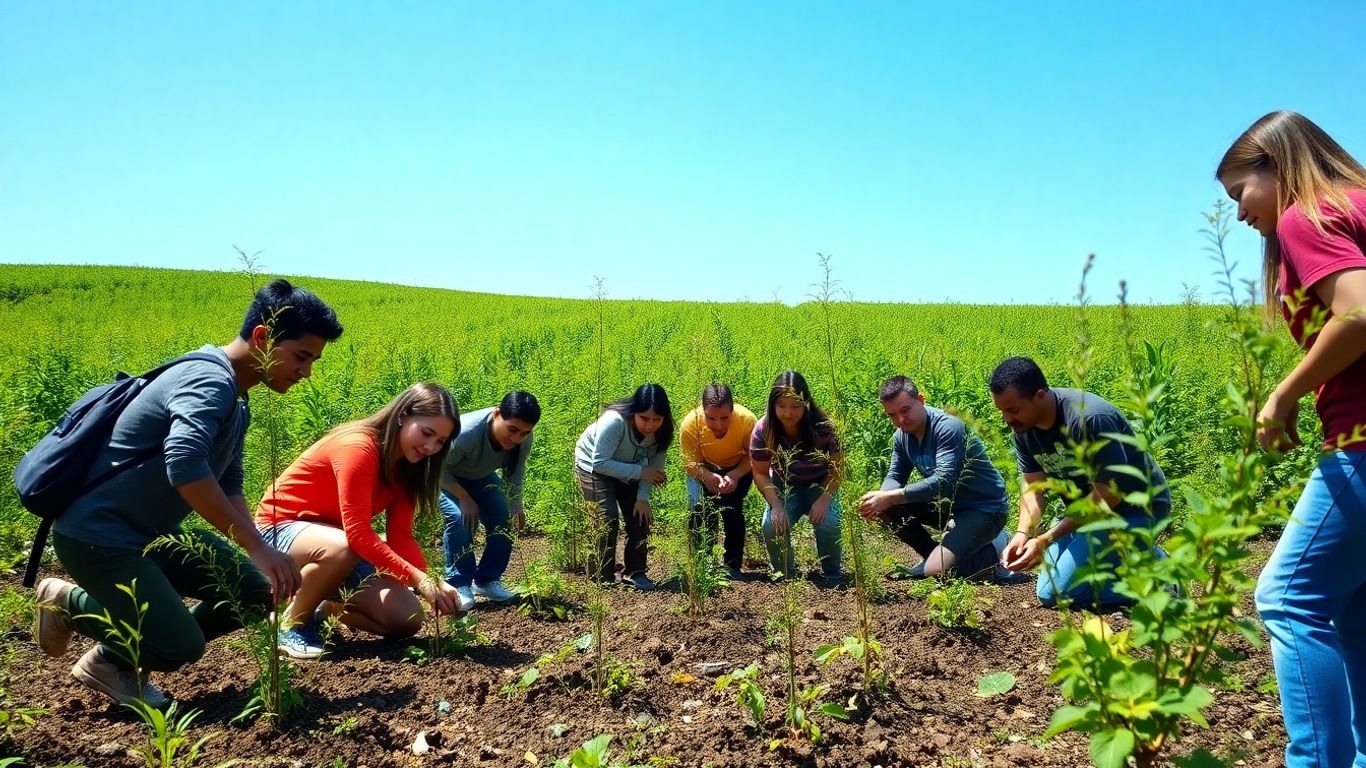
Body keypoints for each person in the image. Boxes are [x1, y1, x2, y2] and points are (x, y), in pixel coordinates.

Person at [33, 280, 342, 706]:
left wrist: (258, 550)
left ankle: (110, 660)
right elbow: (186, 466)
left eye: (313, 361)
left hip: (150, 532)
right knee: (182, 646)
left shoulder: (238, 396)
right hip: (100, 537)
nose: (306, 371)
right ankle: (68, 601)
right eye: (302, 356)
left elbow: (228, 480)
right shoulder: (209, 380)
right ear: (262, 338)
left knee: (257, 589)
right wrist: (255, 543)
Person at [1218, 110, 1366, 768]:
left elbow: (1359, 314)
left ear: (1274, 168)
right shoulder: (1354, 205)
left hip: (1363, 441)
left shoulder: (1307, 215)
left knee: (1287, 597)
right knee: (1354, 614)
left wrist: (1284, 394)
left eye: (1238, 194)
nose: (1238, 213)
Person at [255, 382, 467, 660]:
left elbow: (401, 537)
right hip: (279, 530)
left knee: (407, 618)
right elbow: (357, 534)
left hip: (336, 546)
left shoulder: (408, 468)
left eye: (440, 441)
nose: (430, 447)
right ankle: (292, 624)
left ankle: (322, 605)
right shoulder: (359, 447)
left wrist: (432, 582)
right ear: (403, 416)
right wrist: (419, 579)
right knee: (343, 546)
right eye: (427, 433)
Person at [989, 356, 1170, 609]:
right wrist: (1023, 533)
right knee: (1047, 590)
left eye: (1013, 410)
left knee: (1059, 594)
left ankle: (1158, 572)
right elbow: (1033, 487)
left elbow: (1109, 496)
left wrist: (1048, 537)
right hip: (1085, 517)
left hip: (1134, 511)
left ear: (1040, 395)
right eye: (1002, 411)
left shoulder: (1089, 419)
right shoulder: (1024, 427)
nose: (1007, 419)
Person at [857, 376, 1011, 580]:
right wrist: (878, 501)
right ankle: (934, 558)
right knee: (888, 504)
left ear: (921, 400)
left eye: (905, 410)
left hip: (984, 508)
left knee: (947, 573)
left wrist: (891, 496)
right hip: (950, 507)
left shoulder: (948, 427)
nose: (900, 420)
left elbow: (944, 482)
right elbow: (895, 476)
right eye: (892, 415)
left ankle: (998, 543)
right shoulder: (901, 436)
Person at [440, 390, 540, 606]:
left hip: (482, 476)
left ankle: (486, 580)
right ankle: (459, 584)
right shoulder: (465, 434)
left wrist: (516, 504)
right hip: (446, 478)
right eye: (512, 429)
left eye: (524, 433)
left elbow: (515, 471)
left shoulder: (524, 438)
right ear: (496, 414)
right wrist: (464, 498)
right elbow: (436, 470)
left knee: (504, 519)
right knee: (460, 519)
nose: (516, 439)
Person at [574, 384, 673, 590]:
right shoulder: (615, 422)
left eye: (657, 419)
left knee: (640, 517)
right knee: (606, 517)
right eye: (644, 418)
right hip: (593, 467)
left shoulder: (663, 433)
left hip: (631, 468)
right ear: (633, 412)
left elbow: (653, 470)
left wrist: (643, 498)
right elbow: (599, 463)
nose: (650, 425)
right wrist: (640, 472)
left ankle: (635, 572)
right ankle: (602, 574)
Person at [751, 371, 843, 582]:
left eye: (795, 406)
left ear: (807, 404)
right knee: (772, 525)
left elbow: (838, 469)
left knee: (829, 522)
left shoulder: (825, 428)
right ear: (772, 405)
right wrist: (776, 506)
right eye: (781, 405)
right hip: (784, 486)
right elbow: (760, 473)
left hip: (820, 485)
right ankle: (785, 574)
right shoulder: (763, 430)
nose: (787, 413)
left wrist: (823, 500)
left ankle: (833, 575)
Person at [679, 383, 757, 579]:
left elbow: (753, 457)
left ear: (733, 410)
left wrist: (735, 475)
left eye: (724, 418)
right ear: (703, 411)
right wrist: (706, 476)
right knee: (702, 510)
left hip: (738, 467)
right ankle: (702, 564)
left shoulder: (747, 421)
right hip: (703, 468)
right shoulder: (690, 424)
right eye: (711, 418)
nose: (718, 425)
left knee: (731, 509)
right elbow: (690, 463)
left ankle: (732, 565)